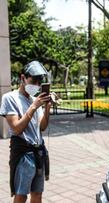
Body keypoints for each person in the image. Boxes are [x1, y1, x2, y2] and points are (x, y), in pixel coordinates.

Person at [0, 61, 51, 203]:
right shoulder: (10, 98)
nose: (37, 85)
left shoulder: (36, 100)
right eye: (33, 80)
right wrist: (33, 107)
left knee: (37, 194)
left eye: (39, 82)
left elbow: (42, 127)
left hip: (38, 152)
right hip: (23, 154)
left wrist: (47, 108)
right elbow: (16, 128)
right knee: (21, 195)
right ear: (23, 78)